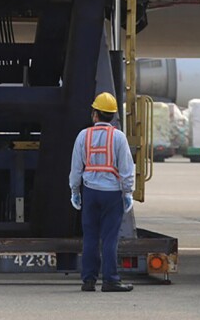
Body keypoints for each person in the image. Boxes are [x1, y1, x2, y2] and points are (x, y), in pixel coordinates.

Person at [69, 92, 135, 293]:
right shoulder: (119, 137)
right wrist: (128, 192)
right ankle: (110, 281)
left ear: (95, 114)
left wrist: (75, 190)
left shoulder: (83, 136)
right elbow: (126, 168)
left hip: (90, 192)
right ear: (113, 116)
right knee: (109, 238)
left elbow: (76, 168)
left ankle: (88, 281)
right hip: (112, 194)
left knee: (90, 237)